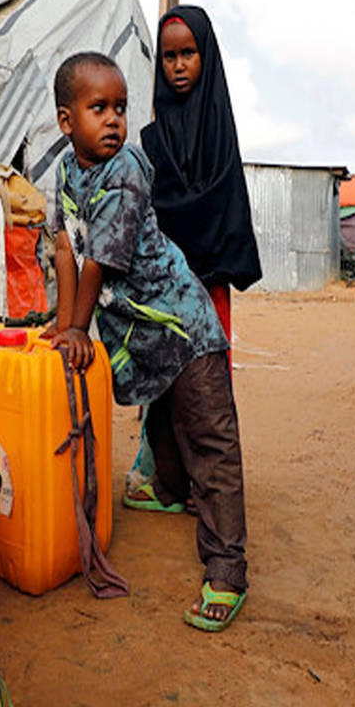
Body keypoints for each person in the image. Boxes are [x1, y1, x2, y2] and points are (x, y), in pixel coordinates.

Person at [49, 52, 248, 631]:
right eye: (98, 108)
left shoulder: (129, 168)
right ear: (67, 121)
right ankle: (167, 488)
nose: (114, 119)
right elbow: (65, 247)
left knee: (210, 441)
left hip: (183, 326)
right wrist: (64, 326)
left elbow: (98, 261)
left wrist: (79, 329)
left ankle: (227, 570)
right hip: (143, 336)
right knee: (161, 418)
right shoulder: (64, 173)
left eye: (120, 108)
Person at [124, 5, 262, 511]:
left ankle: (210, 489)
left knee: (205, 390)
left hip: (206, 284)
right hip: (163, 286)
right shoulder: (152, 139)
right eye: (169, 57)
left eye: (188, 54)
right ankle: (169, 481)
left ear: (206, 56)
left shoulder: (219, 134)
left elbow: (224, 207)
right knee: (161, 382)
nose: (178, 65)